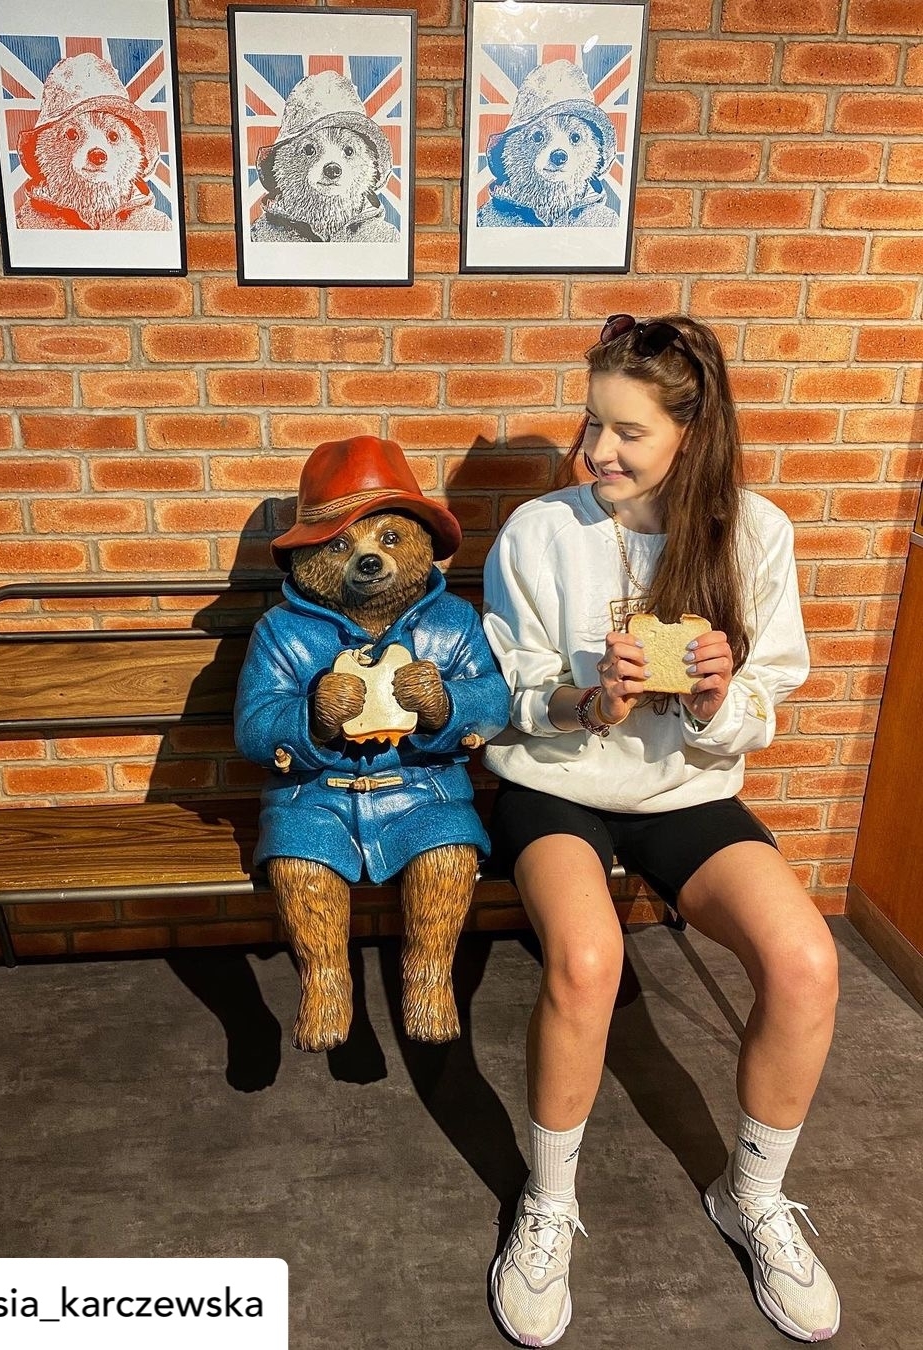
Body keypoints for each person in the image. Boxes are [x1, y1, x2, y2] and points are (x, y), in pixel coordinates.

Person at [481, 313, 840, 1345]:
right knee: (588, 958)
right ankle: (548, 1205)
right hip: (557, 781)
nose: (596, 450)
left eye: (628, 432)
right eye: (592, 422)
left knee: (807, 960)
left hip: (688, 788)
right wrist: (586, 701)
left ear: (694, 432)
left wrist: (717, 698)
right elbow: (507, 689)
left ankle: (752, 1197)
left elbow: (768, 695)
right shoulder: (540, 533)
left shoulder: (755, 534)